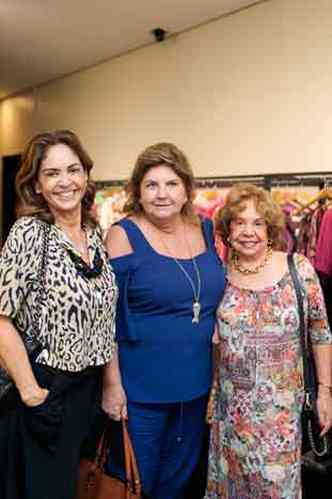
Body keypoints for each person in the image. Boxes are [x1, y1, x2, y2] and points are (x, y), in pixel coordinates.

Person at [103, 142, 226, 499]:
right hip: (140, 390)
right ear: (137, 192)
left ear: (187, 189)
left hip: (195, 385)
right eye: (151, 185)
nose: (162, 194)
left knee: (177, 483)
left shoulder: (205, 229)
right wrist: (112, 384)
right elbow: (106, 319)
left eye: (171, 184)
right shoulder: (122, 235)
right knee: (135, 483)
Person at [0, 130, 118, 499]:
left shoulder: (93, 233)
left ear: (86, 175)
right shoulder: (29, 233)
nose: (66, 181)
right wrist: (32, 393)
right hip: (46, 388)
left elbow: (104, 317)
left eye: (73, 169)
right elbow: (1, 319)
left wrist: (111, 385)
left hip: (88, 392)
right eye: (52, 173)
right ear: (36, 184)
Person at [204, 183, 332, 499]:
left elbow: (321, 333)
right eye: (240, 222)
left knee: (278, 489)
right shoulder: (218, 274)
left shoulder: (298, 268)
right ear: (227, 228)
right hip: (231, 412)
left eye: (258, 222)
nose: (249, 231)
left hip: (283, 415)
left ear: (270, 228)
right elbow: (213, 342)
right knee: (232, 487)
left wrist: (326, 392)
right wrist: (212, 390)